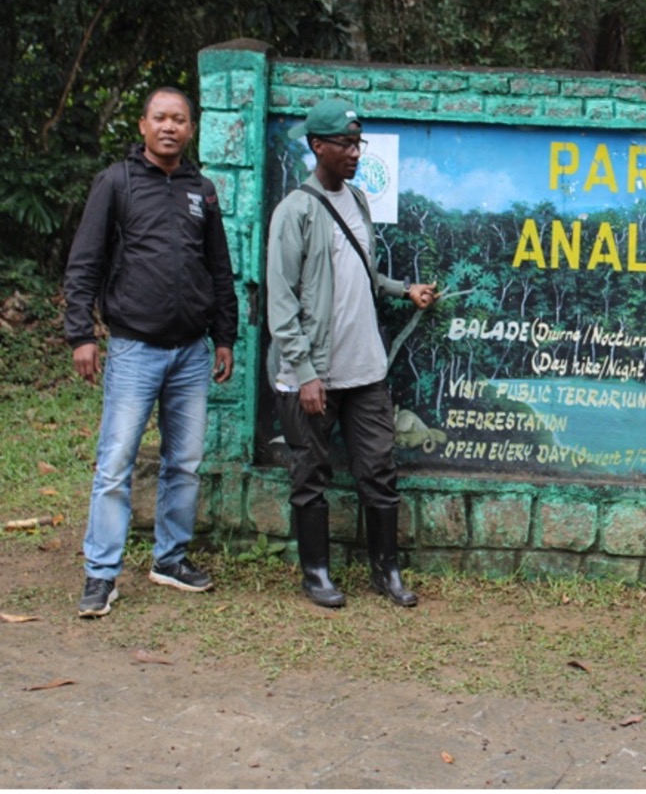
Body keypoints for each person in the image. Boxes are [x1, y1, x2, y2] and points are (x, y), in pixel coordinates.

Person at [64, 87, 238, 618]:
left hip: (190, 352)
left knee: (182, 463)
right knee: (115, 463)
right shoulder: (115, 183)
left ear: (191, 129)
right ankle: (101, 574)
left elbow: (219, 269)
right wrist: (82, 335)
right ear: (142, 125)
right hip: (135, 348)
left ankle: (170, 558)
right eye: (160, 118)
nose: (169, 127)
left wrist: (225, 336)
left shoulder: (201, 191)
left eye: (179, 120)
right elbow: (85, 261)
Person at [266, 97, 436, 609]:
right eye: (344, 144)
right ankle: (316, 572)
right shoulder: (294, 211)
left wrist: (402, 289)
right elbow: (281, 299)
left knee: (379, 469)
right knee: (310, 473)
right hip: (314, 374)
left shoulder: (358, 202)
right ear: (317, 146)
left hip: (365, 369)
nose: (354, 153)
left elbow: (360, 271)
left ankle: (387, 570)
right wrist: (306, 373)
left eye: (357, 143)